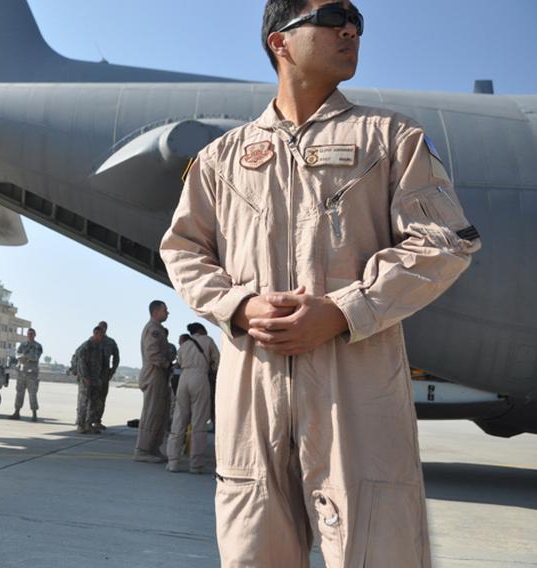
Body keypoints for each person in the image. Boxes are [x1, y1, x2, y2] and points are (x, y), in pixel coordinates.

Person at [159, 1, 481, 565]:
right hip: (251, 393)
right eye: (332, 16)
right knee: (252, 551)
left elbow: (443, 242)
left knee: (375, 551)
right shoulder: (220, 159)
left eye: (357, 20)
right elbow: (183, 249)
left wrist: (342, 311)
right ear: (279, 41)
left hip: (356, 395)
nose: (350, 28)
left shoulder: (390, 139)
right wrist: (238, 305)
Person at [166, 323, 219, 475]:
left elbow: (180, 363)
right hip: (199, 378)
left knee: (179, 419)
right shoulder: (207, 340)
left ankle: (173, 462)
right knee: (199, 421)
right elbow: (217, 360)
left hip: (184, 378)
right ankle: (196, 464)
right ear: (201, 330)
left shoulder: (184, 345)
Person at [133, 300, 172, 463]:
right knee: (151, 413)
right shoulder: (154, 329)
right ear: (156, 312)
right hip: (154, 374)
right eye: (165, 310)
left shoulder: (158, 329)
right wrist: (167, 363)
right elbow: (152, 354)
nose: (167, 312)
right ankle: (142, 450)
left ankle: (153, 448)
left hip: (160, 376)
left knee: (160, 414)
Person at [73, 326, 108, 434]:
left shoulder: (99, 347)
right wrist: (85, 377)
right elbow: (81, 363)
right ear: (96, 334)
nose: (103, 337)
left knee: (94, 402)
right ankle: (80, 424)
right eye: (101, 335)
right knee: (83, 402)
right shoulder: (86, 347)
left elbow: (102, 363)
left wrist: (102, 377)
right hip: (86, 380)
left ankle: (88, 424)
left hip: (96, 379)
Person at [90, 321, 119, 431]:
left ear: (106, 329)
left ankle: (97, 421)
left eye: (103, 328)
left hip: (104, 375)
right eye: (100, 327)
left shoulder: (110, 342)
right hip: (92, 375)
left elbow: (116, 357)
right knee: (91, 398)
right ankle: (89, 421)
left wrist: (112, 371)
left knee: (101, 399)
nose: (101, 329)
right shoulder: (91, 340)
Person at [10, 328, 43, 421]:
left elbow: (36, 357)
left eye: (32, 334)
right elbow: (17, 355)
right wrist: (26, 357)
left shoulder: (38, 346)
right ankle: (16, 412)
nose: (30, 335)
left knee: (32, 394)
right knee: (19, 393)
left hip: (32, 374)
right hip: (21, 372)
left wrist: (25, 356)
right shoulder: (22, 345)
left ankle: (34, 414)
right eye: (28, 334)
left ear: (35, 335)